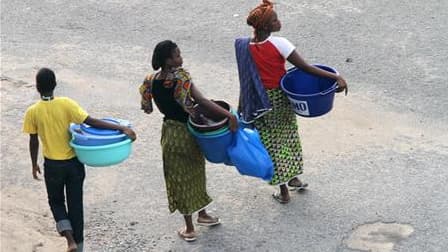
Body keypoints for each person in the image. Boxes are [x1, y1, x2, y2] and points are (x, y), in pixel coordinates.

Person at [235, 0, 348, 204]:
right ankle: (289, 183)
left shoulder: (243, 46)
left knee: (271, 142)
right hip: (280, 97)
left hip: (260, 101)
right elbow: (306, 68)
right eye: (275, 20)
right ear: (267, 26)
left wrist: (242, 105)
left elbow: (245, 78)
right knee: (287, 137)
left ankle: (285, 185)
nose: (279, 22)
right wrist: (335, 77)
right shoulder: (279, 43)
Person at [22, 68, 137, 252]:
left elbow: (33, 140)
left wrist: (33, 163)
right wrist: (121, 128)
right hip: (73, 163)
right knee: (76, 205)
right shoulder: (66, 104)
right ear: (55, 85)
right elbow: (92, 122)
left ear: (37, 87)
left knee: (56, 202)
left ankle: (69, 240)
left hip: (52, 166)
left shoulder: (33, 112)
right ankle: (79, 246)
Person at [139, 40, 238, 241]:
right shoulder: (182, 78)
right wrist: (229, 116)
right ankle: (198, 219)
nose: (180, 58)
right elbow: (202, 101)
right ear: (168, 60)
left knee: (180, 178)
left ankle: (191, 225)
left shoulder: (149, 80)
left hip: (170, 134)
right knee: (196, 172)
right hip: (191, 131)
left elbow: (147, 108)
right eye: (176, 55)